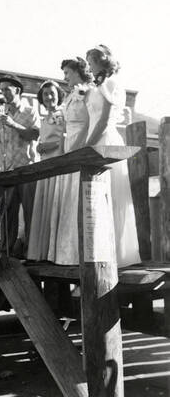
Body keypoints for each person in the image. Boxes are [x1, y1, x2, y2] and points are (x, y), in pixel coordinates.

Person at [85, 44, 140, 266]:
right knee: (96, 198)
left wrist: (89, 144)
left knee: (111, 194)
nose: (89, 66)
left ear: (102, 61)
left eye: (91, 62)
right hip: (93, 138)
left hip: (105, 140)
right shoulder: (95, 86)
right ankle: (99, 251)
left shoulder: (112, 83)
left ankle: (117, 254)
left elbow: (106, 118)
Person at [0, 74, 40, 254]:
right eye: (1, 90)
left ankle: (31, 253)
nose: (3, 93)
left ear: (17, 90)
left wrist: (14, 124)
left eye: (6, 89)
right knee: (7, 215)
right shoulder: (0, 118)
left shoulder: (30, 111)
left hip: (28, 171)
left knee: (30, 215)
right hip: (9, 173)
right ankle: (6, 252)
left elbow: (34, 135)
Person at [47, 57, 93, 265]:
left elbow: (90, 122)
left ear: (77, 72)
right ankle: (68, 254)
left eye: (67, 73)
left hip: (82, 145)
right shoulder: (68, 97)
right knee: (69, 200)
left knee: (80, 198)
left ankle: (84, 252)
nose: (64, 77)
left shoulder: (89, 91)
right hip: (69, 146)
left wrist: (79, 147)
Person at [27, 80, 65, 260]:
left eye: (52, 93)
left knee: (56, 204)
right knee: (45, 206)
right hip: (45, 164)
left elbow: (67, 140)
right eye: (45, 95)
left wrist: (47, 146)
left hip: (58, 164)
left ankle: (56, 252)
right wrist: (39, 148)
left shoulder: (63, 115)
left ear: (58, 94)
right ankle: (43, 252)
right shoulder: (43, 119)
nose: (49, 97)